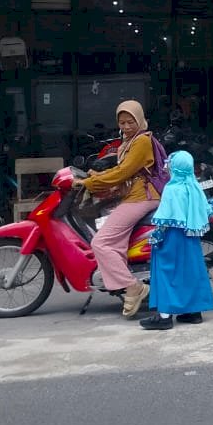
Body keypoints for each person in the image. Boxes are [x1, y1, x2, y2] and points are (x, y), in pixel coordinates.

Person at [75, 100, 161, 318]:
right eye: (122, 123)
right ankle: (124, 283)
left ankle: (134, 287)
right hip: (133, 196)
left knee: (100, 242)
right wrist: (94, 176)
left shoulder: (141, 141)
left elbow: (123, 172)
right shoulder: (129, 141)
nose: (126, 126)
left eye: (130, 122)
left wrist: (90, 184)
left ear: (139, 120)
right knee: (114, 240)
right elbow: (118, 168)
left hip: (142, 197)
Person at [140, 150, 213, 331]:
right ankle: (193, 312)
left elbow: (165, 218)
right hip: (191, 238)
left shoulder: (172, 189)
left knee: (166, 271)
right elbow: (206, 209)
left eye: (170, 164)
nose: (167, 167)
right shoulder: (194, 185)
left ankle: (164, 317)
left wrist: (157, 236)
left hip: (172, 236)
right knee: (191, 271)